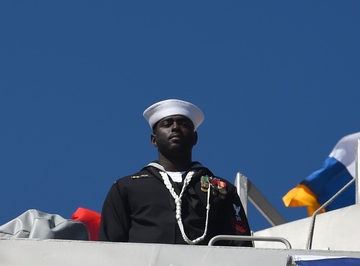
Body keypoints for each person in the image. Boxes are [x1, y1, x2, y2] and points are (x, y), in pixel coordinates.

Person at [99, 99, 252, 246]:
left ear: (195, 138)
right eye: (167, 124)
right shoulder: (127, 187)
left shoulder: (222, 189)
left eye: (183, 124)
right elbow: (109, 246)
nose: (175, 128)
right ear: (154, 140)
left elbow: (240, 245)